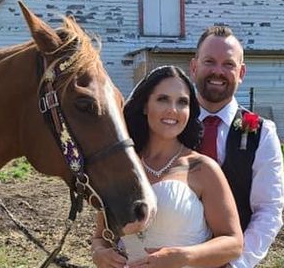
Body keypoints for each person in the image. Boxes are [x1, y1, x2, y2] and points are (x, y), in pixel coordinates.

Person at [92, 65, 243, 268]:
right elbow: (100, 237)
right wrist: (100, 253)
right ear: (145, 105)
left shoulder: (202, 168)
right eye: (163, 99)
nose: (173, 110)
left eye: (182, 102)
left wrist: (185, 257)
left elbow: (233, 243)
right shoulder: (121, 169)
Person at [190, 26, 284, 268]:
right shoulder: (170, 124)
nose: (218, 72)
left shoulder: (262, 133)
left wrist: (236, 263)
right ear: (194, 67)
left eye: (228, 64)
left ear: (241, 72)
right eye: (209, 61)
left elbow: (268, 210)